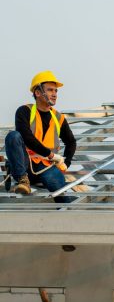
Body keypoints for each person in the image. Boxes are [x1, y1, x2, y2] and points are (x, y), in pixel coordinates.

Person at [4, 71, 77, 203]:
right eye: (50, 90)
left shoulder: (58, 117)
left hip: (46, 166)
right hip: (24, 165)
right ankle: (23, 180)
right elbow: (27, 138)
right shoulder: (24, 111)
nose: (54, 94)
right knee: (13, 136)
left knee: (62, 196)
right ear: (38, 92)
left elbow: (71, 142)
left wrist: (66, 163)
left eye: (56, 91)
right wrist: (51, 155)